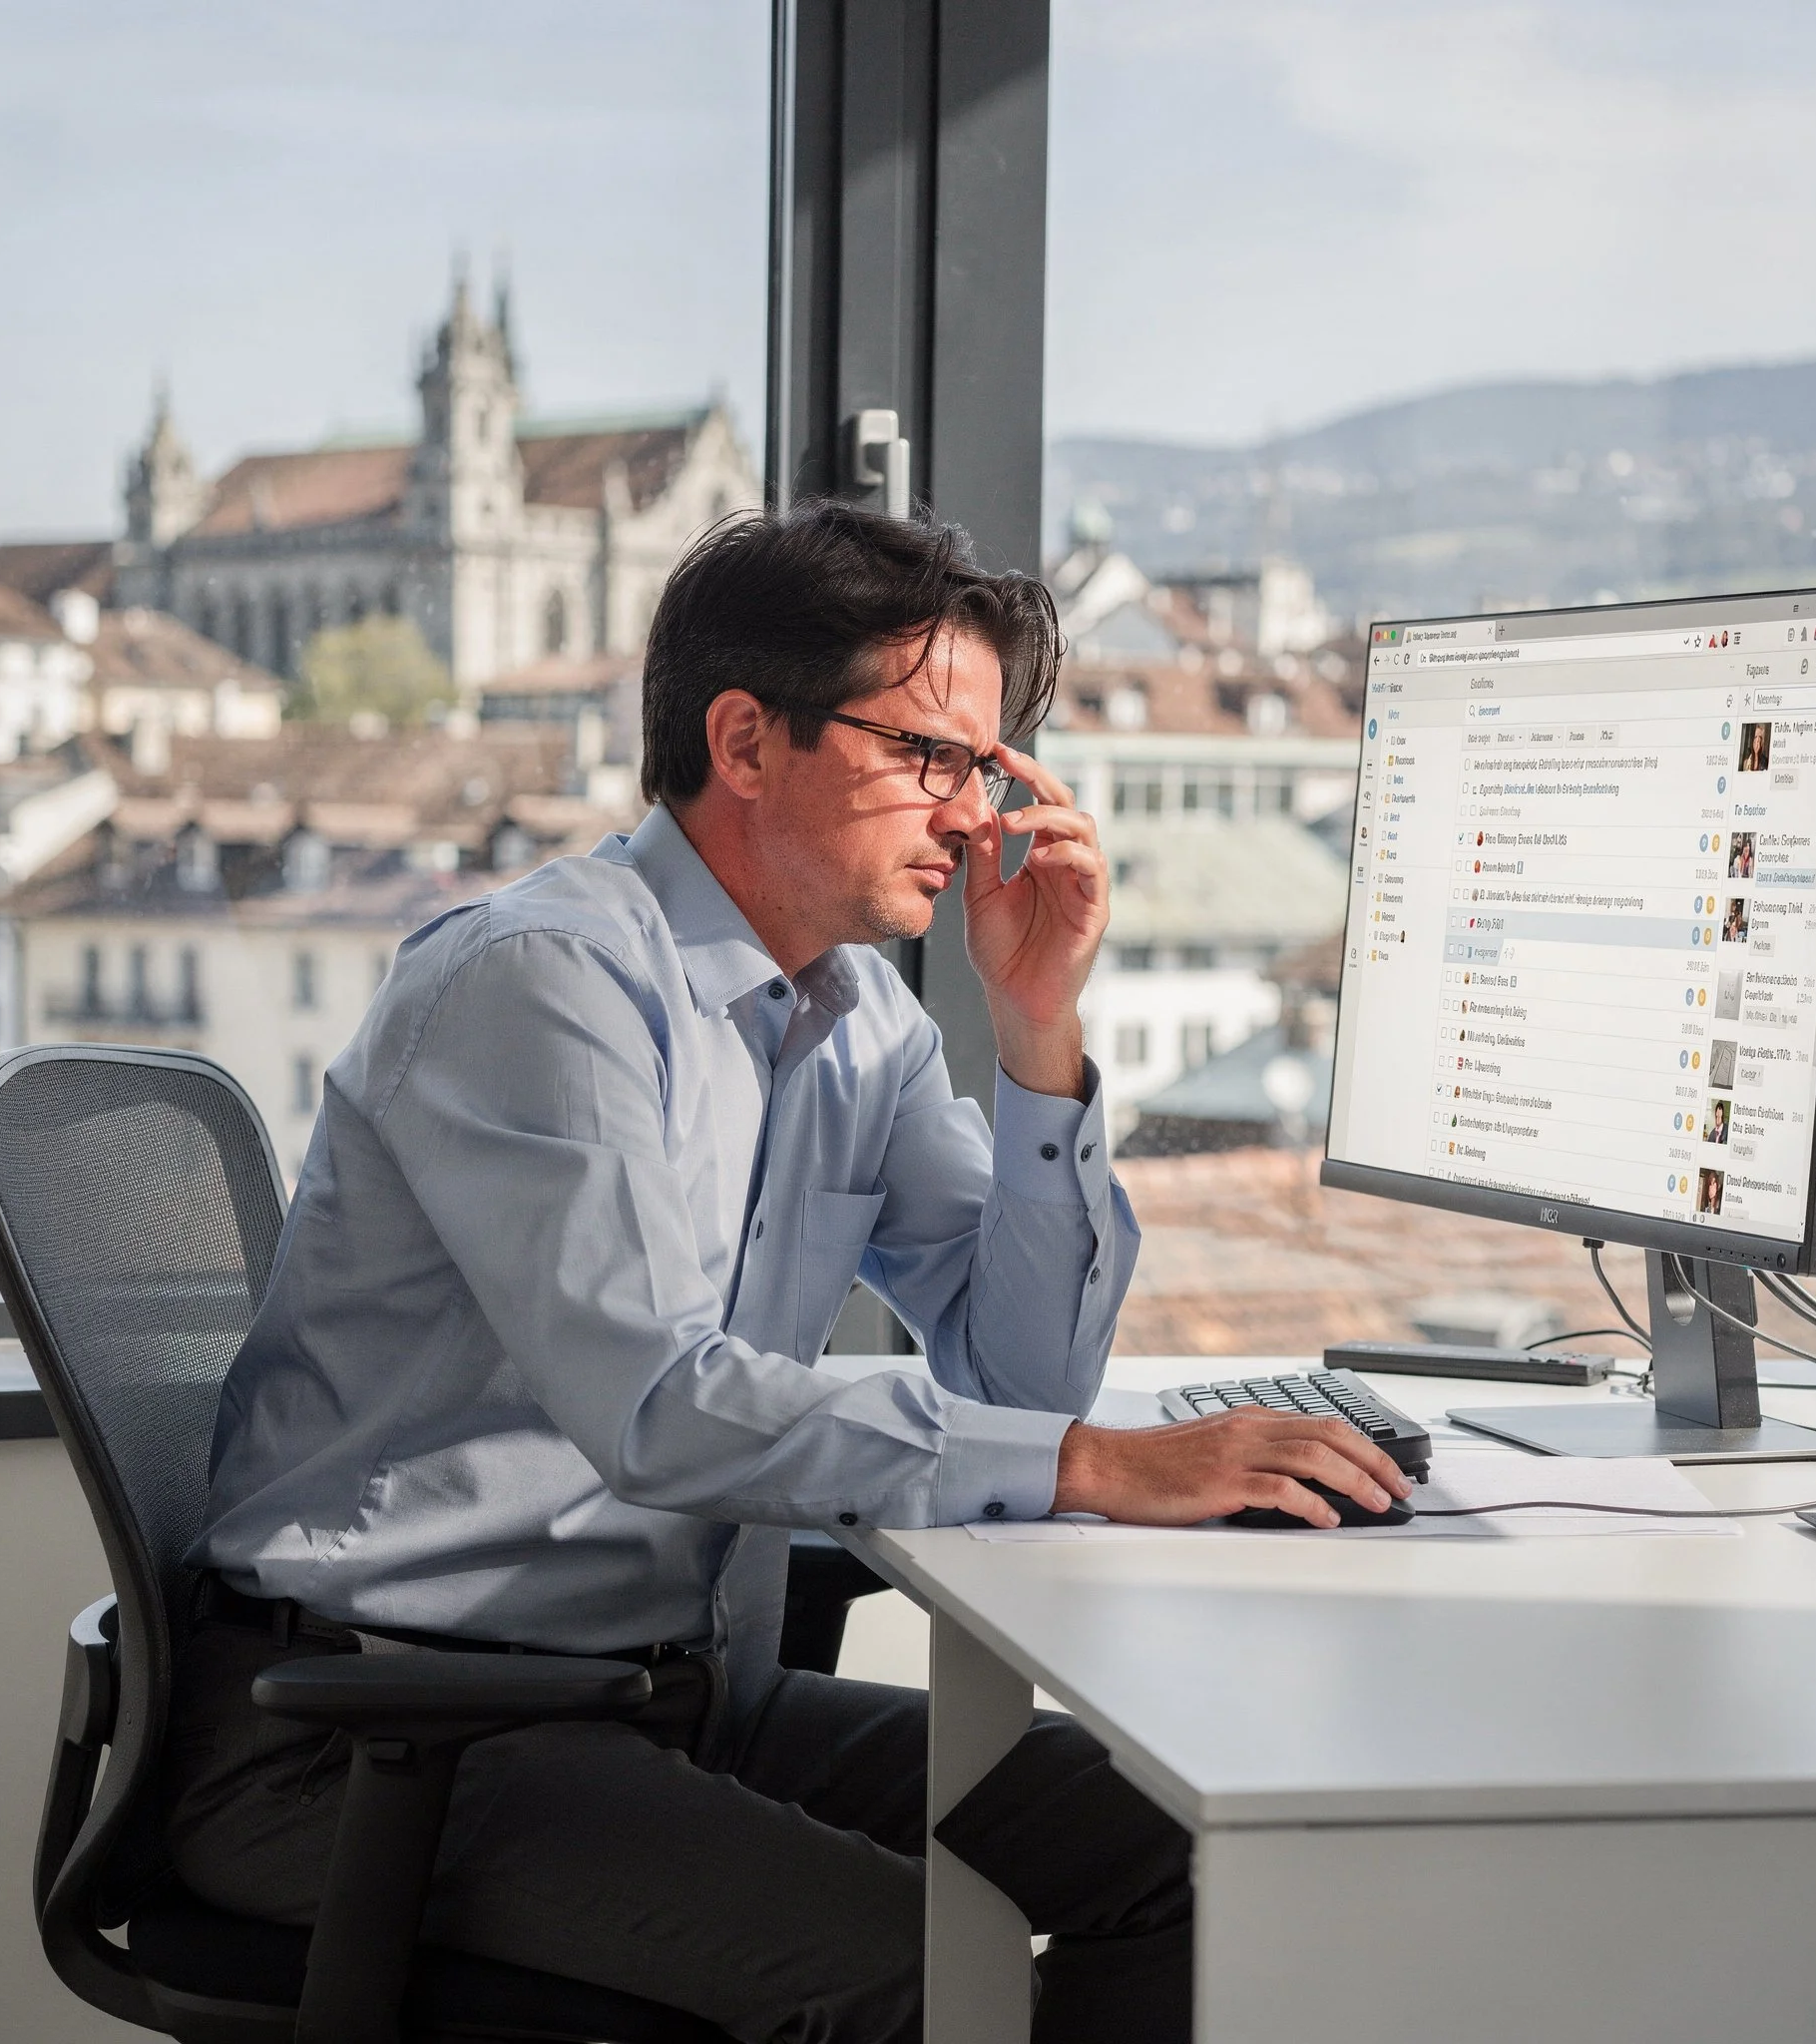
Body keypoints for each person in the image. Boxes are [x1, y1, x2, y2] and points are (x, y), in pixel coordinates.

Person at [161, 504, 1410, 2044]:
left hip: (655, 1708)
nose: (971, 815)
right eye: (927, 757)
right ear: (746, 742)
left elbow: (1023, 1377)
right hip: (371, 1741)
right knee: (918, 1979)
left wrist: (1037, 1036)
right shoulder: (541, 983)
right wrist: (1099, 1468)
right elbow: (667, 1412)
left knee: (1168, 1852)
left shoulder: (859, 1024)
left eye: (988, 765)